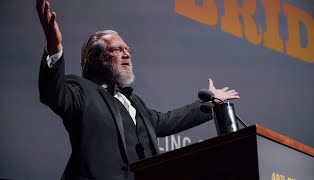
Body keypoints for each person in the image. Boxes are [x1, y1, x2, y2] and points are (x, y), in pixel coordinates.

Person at [36, 0, 240, 179]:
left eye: (127, 50)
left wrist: (213, 102)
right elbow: (53, 93)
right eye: (116, 49)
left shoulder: (136, 104)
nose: (126, 54)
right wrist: (54, 49)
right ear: (95, 59)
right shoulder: (81, 90)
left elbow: (170, 120)